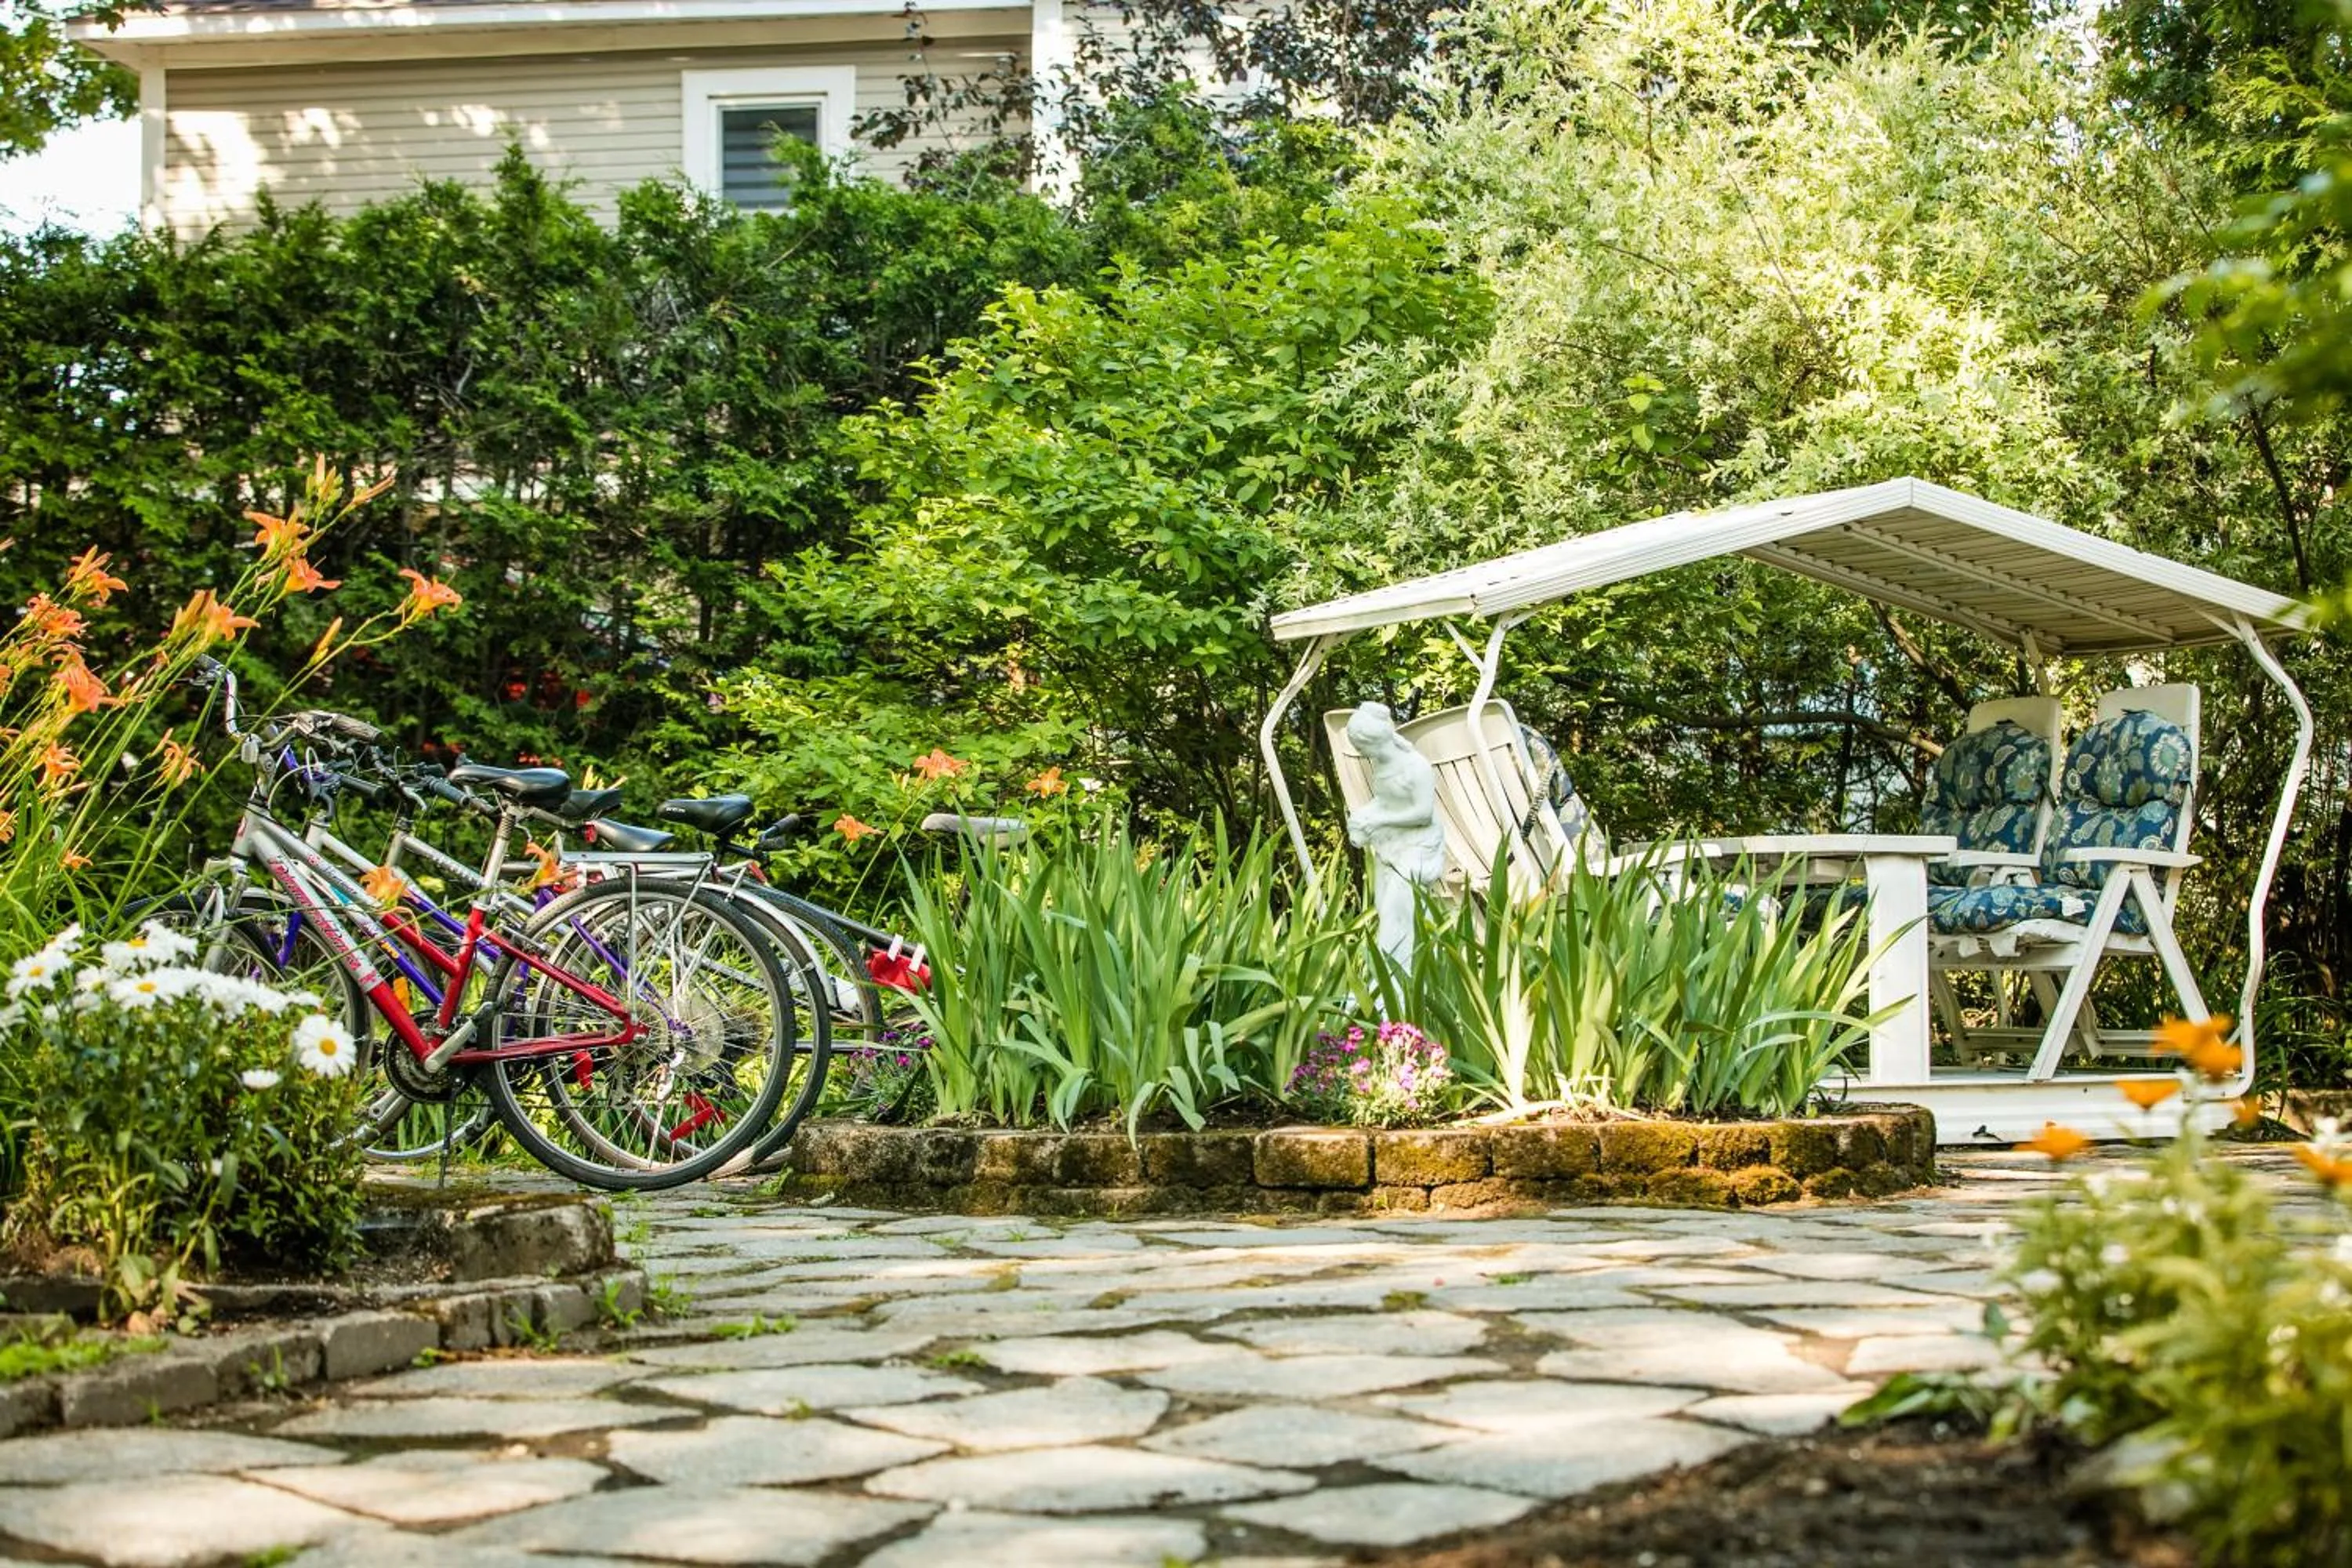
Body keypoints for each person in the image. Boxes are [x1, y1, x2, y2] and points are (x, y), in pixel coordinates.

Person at [1345, 702, 1450, 971]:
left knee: (1397, 911)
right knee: (1386, 909)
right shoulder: (1380, 766)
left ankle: (1402, 981)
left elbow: (1423, 814)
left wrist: (1378, 821)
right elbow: (1384, 801)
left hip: (1418, 845)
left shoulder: (1416, 767)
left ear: (1373, 740)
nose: (1359, 752)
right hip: (1392, 843)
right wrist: (1363, 818)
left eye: (1360, 746)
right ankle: (1392, 981)